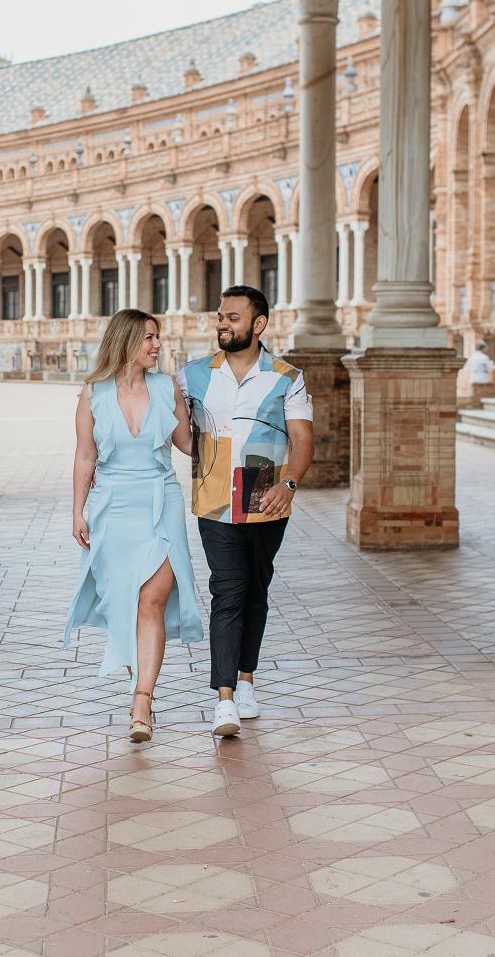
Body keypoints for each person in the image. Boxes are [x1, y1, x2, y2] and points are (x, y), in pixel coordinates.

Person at [176, 286, 313, 737]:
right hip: (213, 498)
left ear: (258, 324)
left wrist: (289, 484)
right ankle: (225, 699)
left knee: (255, 591)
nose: (222, 323)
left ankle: (247, 680)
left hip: (264, 494)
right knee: (228, 591)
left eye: (232, 317)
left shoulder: (287, 377)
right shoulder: (192, 375)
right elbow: (172, 425)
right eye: (220, 316)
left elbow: (302, 438)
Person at [66, 308, 203, 742]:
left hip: (162, 500)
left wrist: (226, 420)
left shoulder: (167, 387)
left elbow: (189, 445)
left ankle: (142, 700)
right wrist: (78, 510)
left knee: (151, 601)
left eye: (157, 337)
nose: (157, 345)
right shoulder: (93, 393)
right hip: (112, 505)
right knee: (125, 601)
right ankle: (138, 689)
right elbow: (85, 455)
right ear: (125, 341)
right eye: (149, 337)